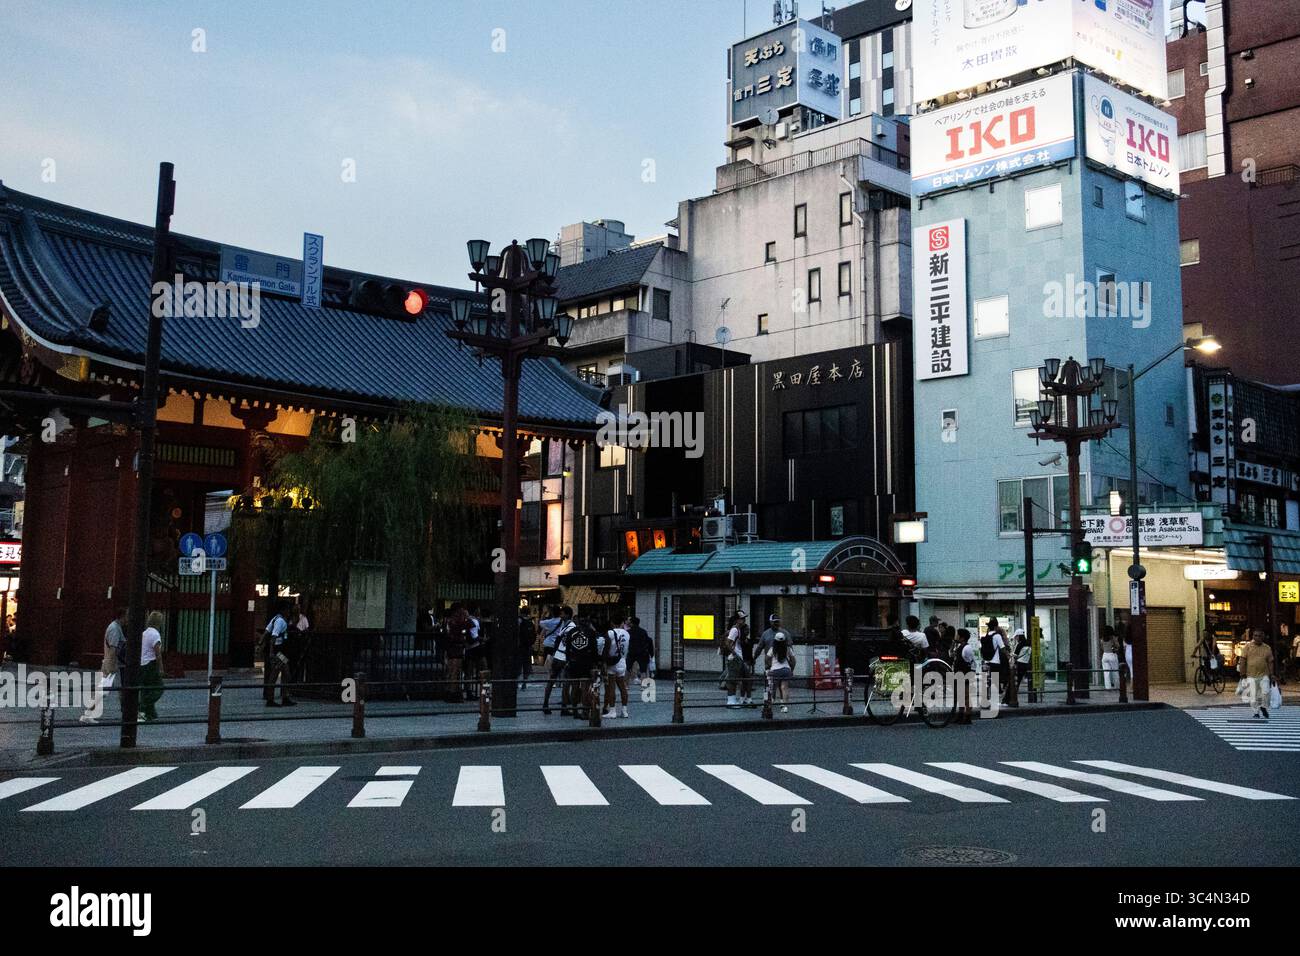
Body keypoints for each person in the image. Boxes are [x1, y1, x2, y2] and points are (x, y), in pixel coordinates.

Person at [82, 609, 127, 724]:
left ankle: (126, 713)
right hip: (112, 664)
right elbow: (113, 649)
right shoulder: (115, 629)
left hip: (113, 663)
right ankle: (88, 713)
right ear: (123, 616)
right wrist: (111, 665)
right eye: (127, 616)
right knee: (103, 690)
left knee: (112, 690)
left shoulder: (115, 628)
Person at [564, 614, 599, 720]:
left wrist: (568, 660)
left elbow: (567, 648)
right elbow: (594, 650)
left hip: (573, 662)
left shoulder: (571, 632)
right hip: (586, 663)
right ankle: (584, 711)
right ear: (588, 623)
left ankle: (574, 710)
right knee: (585, 688)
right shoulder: (591, 633)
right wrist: (595, 662)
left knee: (574, 687)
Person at [543, 606, 575, 715]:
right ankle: (564, 708)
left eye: (562, 613)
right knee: (566, 682)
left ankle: (545, 704)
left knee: (551, 680)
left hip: (557, 655)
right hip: (564, 656)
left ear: (567, 614)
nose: (561, 615)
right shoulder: (571, 626)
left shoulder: (564, 626)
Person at [1238, 628, 1276, 719]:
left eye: (1259, 636)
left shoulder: (1267, 648)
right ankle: (1256, 712)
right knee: (1253, 695)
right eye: (1255, 635)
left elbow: (1270, 662)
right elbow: (1243, 660)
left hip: (1264, 675)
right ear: (1253, 636)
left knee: (1266, 692)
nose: (1257, 637)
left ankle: (1263, 707)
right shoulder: (1247, 647)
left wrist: (1272, 674)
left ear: (1263, 637)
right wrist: (1242, 672)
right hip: (1251, 675)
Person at [263, 602, 296, 706]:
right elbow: (273, 636)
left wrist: (261, 644)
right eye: (287, 610)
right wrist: (271, 652)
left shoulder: (275, 619)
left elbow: (266, 632)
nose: (288, 612)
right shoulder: (280, 621)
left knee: (285, 673)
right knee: (276, 674)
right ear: (283, 610)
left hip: (280, 652)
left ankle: (284, 697)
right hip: (278, 652)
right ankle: (271, 699)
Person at [139, 610, 166, 723]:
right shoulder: (155, 634)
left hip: (142, 663)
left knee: (146, 688)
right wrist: (161, 668)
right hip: (151, 663)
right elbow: (157, 653)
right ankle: (143, 707)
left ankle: (150, 713)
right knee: (159, 687)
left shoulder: (144, 633)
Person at [601, 617, 631, 718]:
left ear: (612, 623)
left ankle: (613, 710)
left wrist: (604, 662)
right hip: (622, 661)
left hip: (612, 662)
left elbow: (606, 648)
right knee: (623, 687)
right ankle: (624, 710)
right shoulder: (627, 634)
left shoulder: (610, 633)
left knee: (611, 687)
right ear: (622, 623)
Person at [443, 603, 470, 702]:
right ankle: (453, 692)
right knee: (455, 671)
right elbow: (463, 630)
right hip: (455, 648)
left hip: (452, 648)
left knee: (452, 671)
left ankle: (451, 691)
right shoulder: (455, 622)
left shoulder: (450, 621)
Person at [765, 634, 797, 713]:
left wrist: (770, 665)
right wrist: (791, 670)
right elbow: (793, 661)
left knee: (772, 688)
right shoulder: (788, 649)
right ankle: (784, 706)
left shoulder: (773, 649)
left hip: (775, 670)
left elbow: (767, 659)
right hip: (786, 670)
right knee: (784, 688)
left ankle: (770, 703)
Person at [981, 617, 1007, 702]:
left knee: (987, 680)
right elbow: (1003, 648)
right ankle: (994, 698)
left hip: (986, 661)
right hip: (995, 661)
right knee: (995, 680)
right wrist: (1008, 655)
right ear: (996, 627)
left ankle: (986, 697)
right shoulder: (997, 636)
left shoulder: (986, 636)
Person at [954, 628, 977, 723]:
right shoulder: (959, 646)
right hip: (959, 672)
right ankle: (960, 715)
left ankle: (967, 716)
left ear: (962, 638)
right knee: (960, 695)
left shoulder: (967, 648)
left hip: (965, 672)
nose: (956, 636)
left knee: (966, 695)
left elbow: (970, 662)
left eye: (957, 635)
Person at [626, 616, 653, 684]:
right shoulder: (643, 631)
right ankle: (643, 685)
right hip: (642, 653)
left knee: (628, 668)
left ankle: (626, 685)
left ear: (631, 623)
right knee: (643, 670)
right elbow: (648, 641)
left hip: (631, 652)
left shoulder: (628, 632)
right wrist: (650, 653)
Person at [517, 608, 537, 691]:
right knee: (526, 665)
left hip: (519, 646)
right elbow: (534, 634)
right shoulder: (531, 622)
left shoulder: (519, 621)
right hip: (528, 647)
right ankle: (524, 683)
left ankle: (516, 682)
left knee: (518, 665)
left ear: (521, 612)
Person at [1099, 624, 1121, 690]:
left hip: (1105, 655)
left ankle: (1108, 687)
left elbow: (1102, 648)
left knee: (1106, 672)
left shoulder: (1102, 638)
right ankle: (1117, 686)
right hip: (1112, 655)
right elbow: (1118, 646)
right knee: (1115, 671)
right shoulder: (1112, 638)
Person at [1013, 629, 1031, 695]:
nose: (1016, 638)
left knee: (1017, 679)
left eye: (1016, 636)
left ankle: (1015, 691)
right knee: (1021, 678)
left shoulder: (1019, 644)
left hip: (1019, 663)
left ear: (1019, 636)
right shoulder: (1029, 643)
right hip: (1026, 663)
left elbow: (1015, 655)